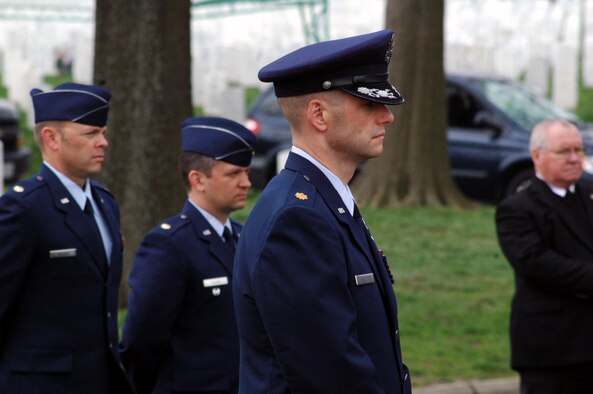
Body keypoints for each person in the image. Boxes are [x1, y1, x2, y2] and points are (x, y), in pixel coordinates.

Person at [232, 29, 412, 393]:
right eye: (368, 104)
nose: (387, 117)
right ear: (318, 115)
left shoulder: (323, 200)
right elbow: (332, 375)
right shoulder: (298, 219)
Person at [0, 83, 133, 393]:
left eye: (103, 132)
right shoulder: (23, 208)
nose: (104, 142)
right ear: (51, 138)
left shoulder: (105, 203)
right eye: (91, 134)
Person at [120, 116, 256, 394]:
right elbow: (142, 338)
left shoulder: (245, 237)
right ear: (198, 179)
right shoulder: (169, 244)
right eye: (233, 174)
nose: (246, 183)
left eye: (246, 172)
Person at [495, 119, 593, 394]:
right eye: (565, 151)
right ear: (537, 155)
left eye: (579, 150)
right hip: (551, 347)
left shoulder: (588, 196)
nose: (575, 158)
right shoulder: (517, 208)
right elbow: (536, 263)